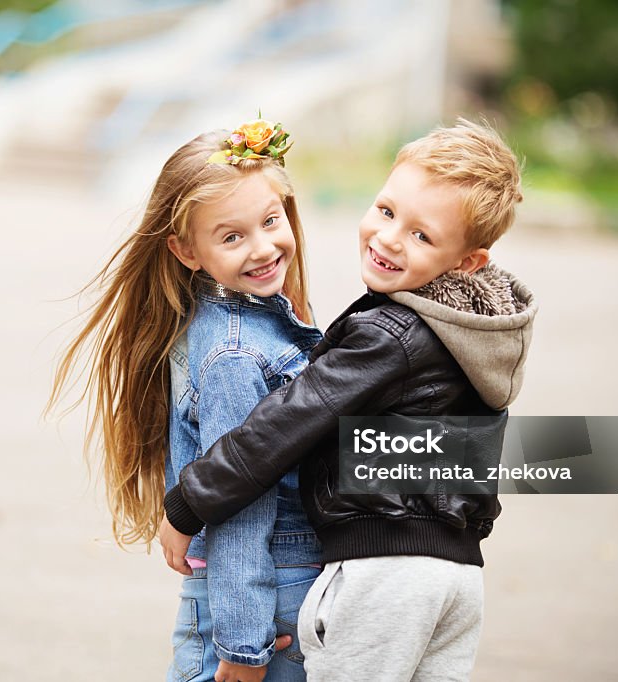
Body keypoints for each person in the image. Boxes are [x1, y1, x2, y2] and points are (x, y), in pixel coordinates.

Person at [160, 119, 539, 681]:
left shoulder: (393, 335)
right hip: (457, 577)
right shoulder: (470, 331)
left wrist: (188, 502)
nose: (389, 238)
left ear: (466, 261)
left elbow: (286, 423)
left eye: (422, 235)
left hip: (386, 572)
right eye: (387, 212)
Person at [45, 118, 324, 682]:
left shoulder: (234, 319)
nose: (264, 247)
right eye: (232, 236)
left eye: (271, 221)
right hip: (269, 590)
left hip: (266, 585)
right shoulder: (235, 356)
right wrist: (245, 651)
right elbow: (241, 503)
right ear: (185, 250)